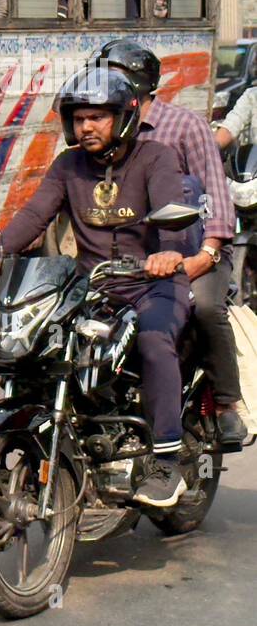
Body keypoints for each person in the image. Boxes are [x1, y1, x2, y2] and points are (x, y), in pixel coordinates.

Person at [0, 66, 192, 507]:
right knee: (45, 346)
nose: (86, 127)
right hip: (93, 287)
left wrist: (169, 252)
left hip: (151, 283)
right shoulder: (69, 166)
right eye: (79, 118)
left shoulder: (155, 157)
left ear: (123, 117)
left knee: (153, 341)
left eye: (97, 118)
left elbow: (170, 209)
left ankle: (169, 460)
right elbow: (34, 215)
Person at [93, 39, 247, 451]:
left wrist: (206, 255)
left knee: (206, 306)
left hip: (196, 248)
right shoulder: (100, 129)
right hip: (135, 255)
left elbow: (215, 197)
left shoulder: (185, 127)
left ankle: (227, 406)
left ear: (138, 88)